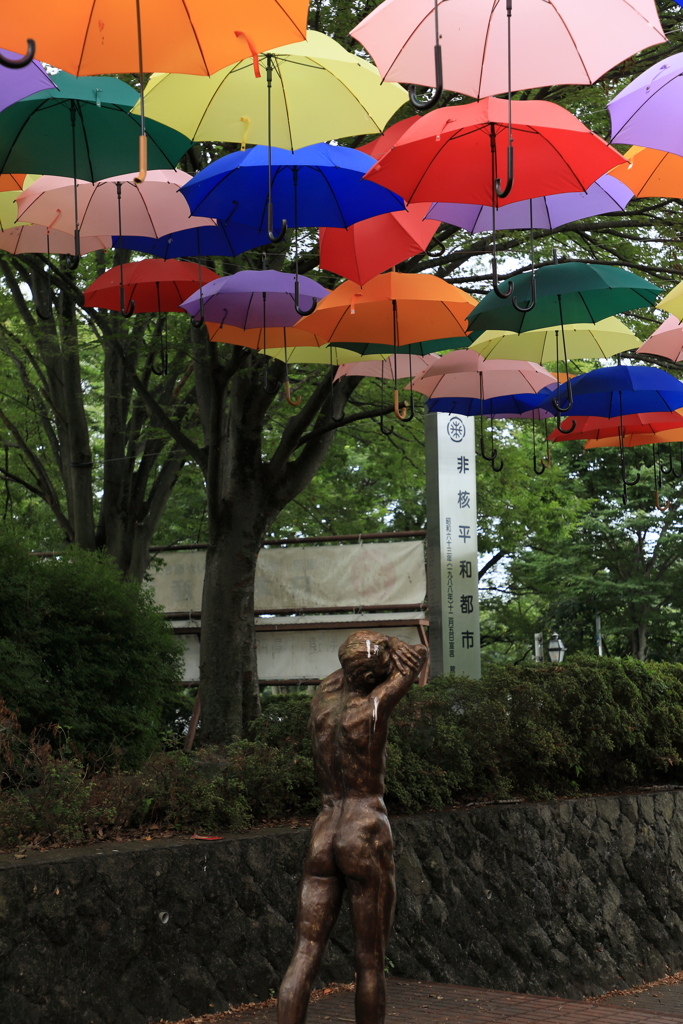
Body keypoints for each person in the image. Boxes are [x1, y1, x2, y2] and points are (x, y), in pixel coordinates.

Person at [277, 629, 428, 1024]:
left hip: (324, 829)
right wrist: (393, 646)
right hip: (364, 828)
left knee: (305, 952)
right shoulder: (374, 705)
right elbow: (418, 658)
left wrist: (370, 653)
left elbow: (353, 663)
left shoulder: (322, 702)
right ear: (371, 676)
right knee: (369, 962)